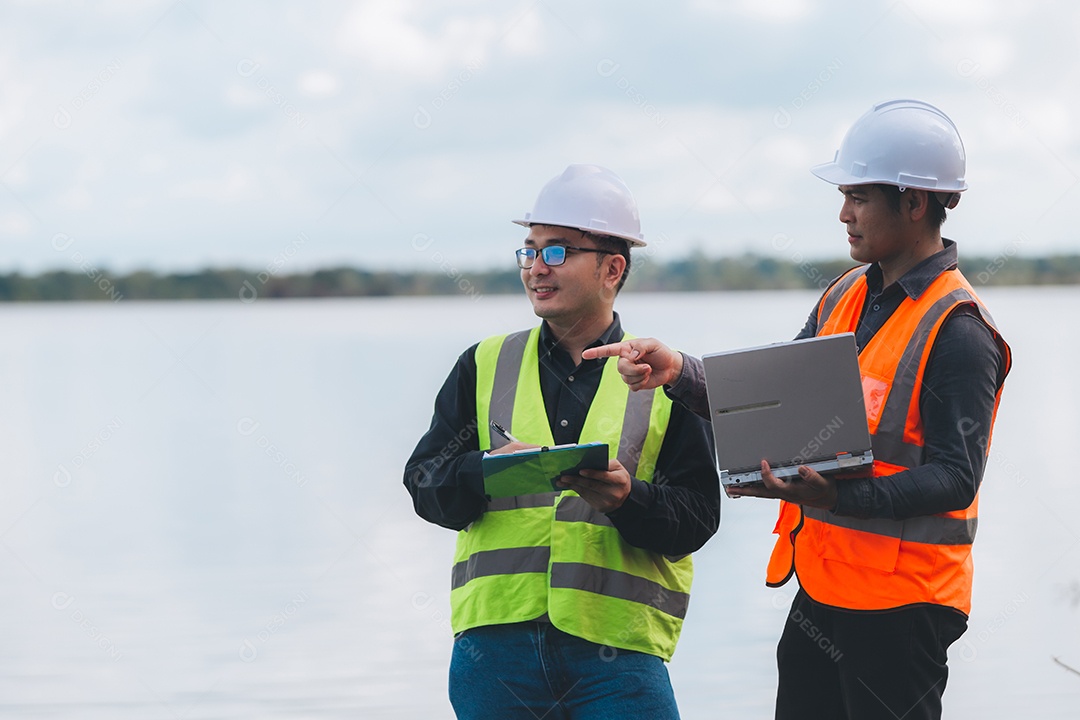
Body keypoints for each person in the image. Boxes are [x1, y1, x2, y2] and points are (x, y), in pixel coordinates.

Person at [584, 100, 1012, 719]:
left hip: (904, 610)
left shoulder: (960, 330)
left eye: (859, 198)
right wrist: (677, 371)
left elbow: (955, 479)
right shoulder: (844, 294)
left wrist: (836, 498)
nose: (844, 214)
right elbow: (773, 405)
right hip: (821, 594)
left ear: (915, 202)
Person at [404, 164, 721, 719]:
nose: (535, 269)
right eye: (529, 251)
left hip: (620, 656)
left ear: (612, 268)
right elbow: (424, 484)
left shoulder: (663, 379)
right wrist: (483, 471)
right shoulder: (481, 365)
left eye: (557, 252)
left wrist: (629, 500)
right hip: (494, 654)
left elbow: (697, 519)